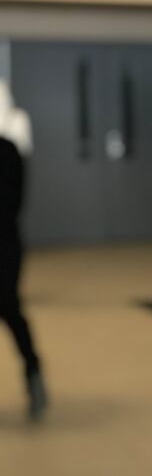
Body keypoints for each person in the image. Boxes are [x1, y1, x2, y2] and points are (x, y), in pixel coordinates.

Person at [0, 79, 47, 420]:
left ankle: (33, 372)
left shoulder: (8, 151)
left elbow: (11, 204)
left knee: (9, 309)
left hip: (3, 246)